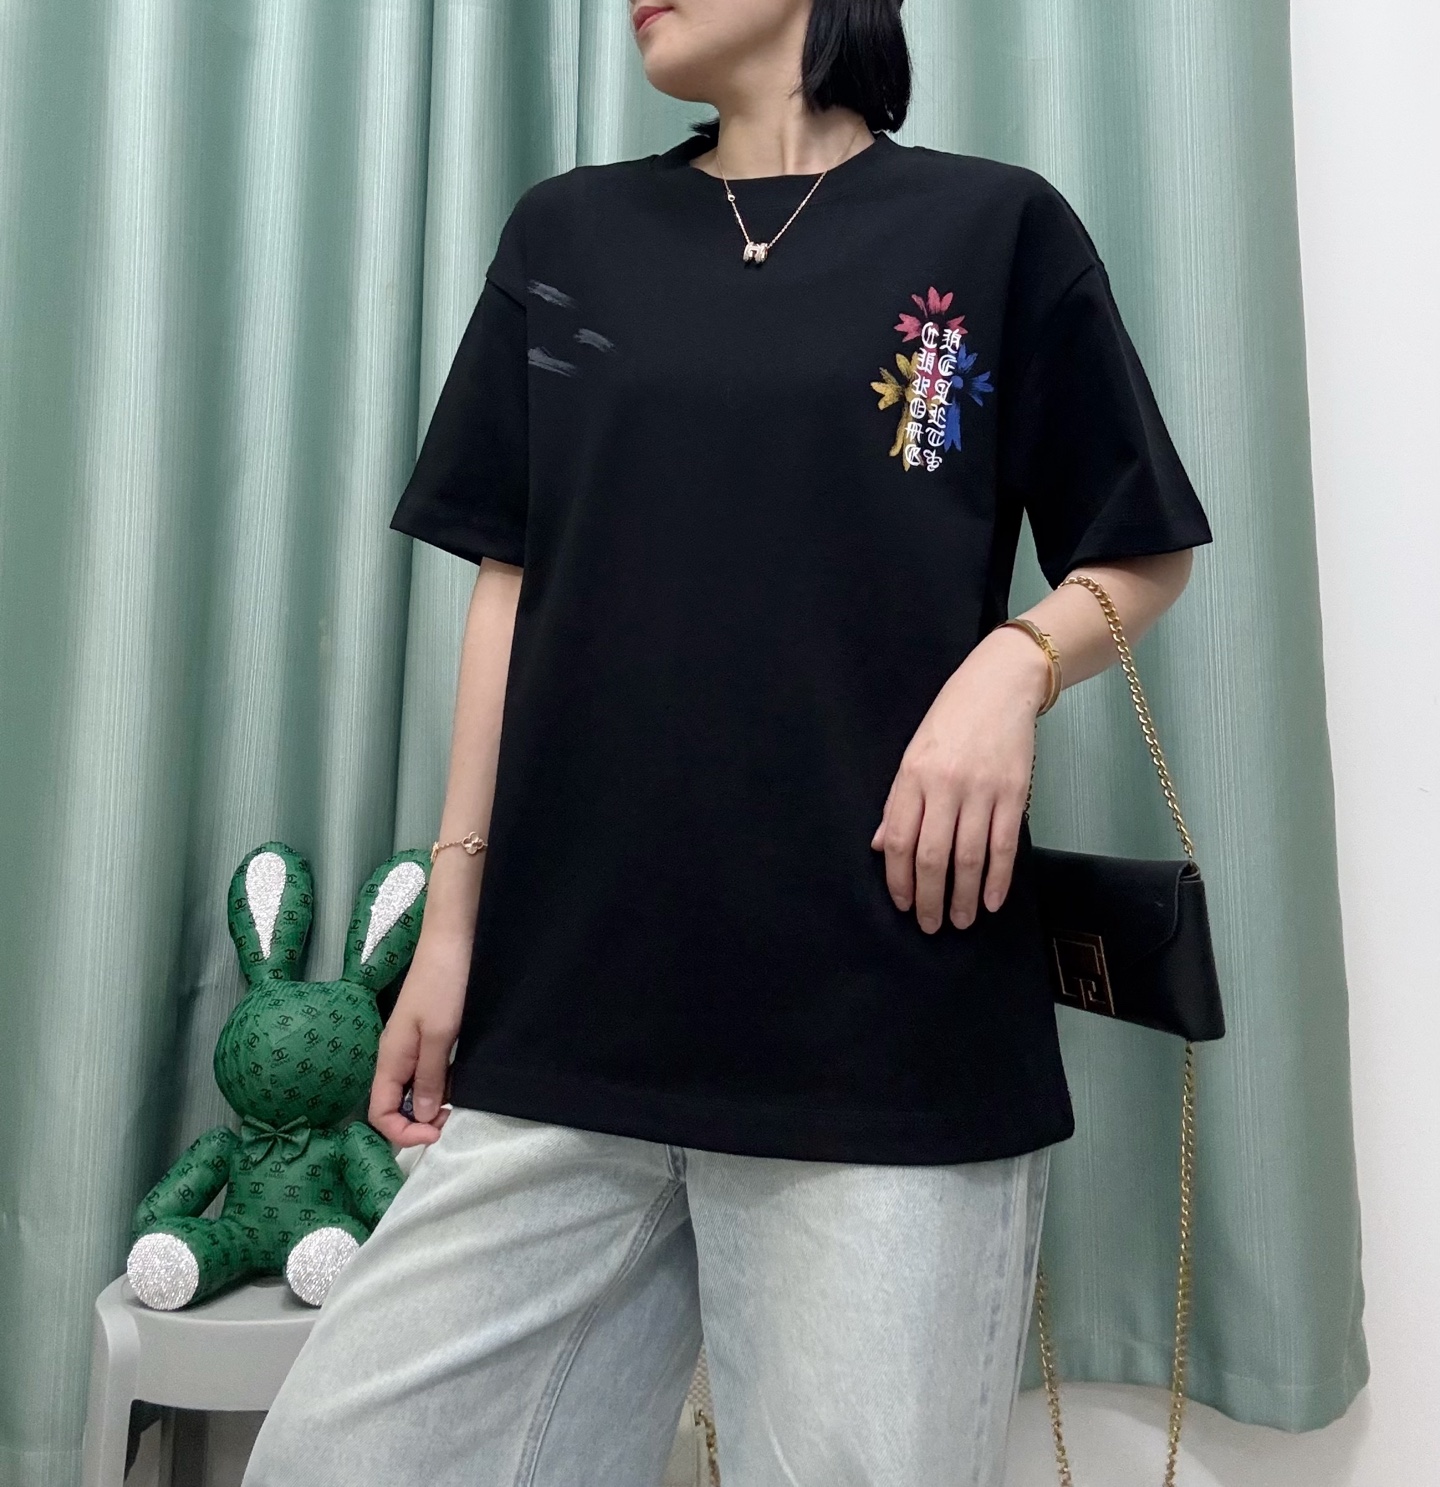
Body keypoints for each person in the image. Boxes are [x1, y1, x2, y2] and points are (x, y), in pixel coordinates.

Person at [241, 1, 1212, 1483]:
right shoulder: (569, 232)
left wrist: (1013, 666)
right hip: (570, 1013)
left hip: (884, 1028)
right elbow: (511, 582)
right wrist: (453, 925)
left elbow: (1142, 549)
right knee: (342, 1458)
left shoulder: (992, 227)